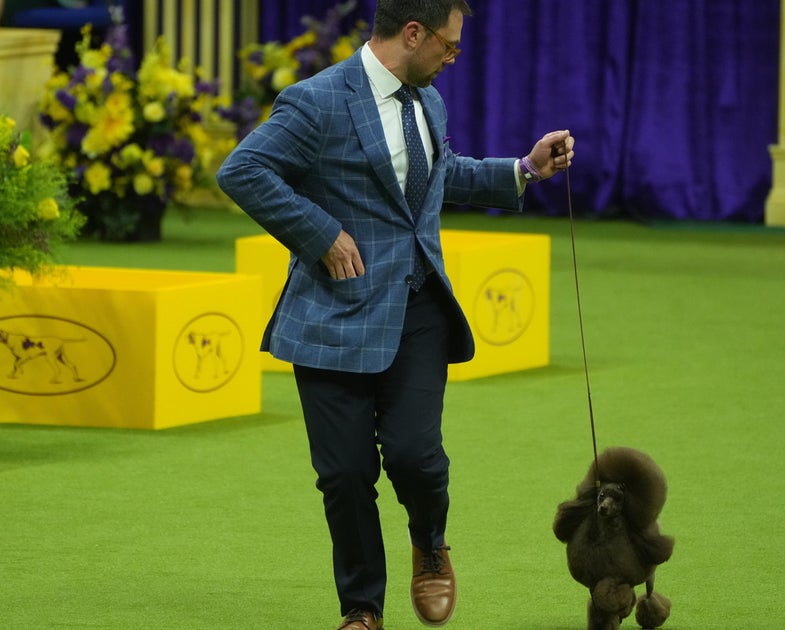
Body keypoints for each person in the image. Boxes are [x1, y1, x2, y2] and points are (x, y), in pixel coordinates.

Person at [216, 1, 574, 628]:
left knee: (416, 456)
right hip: (333, 316)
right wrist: (320, 233)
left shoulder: (426, 100)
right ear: (413, 34)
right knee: (346, 476)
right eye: (449, 45)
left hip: (417, 309)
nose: (453, 58)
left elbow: (437, 176)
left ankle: (430, 546)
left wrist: (522, 171)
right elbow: (243, 169)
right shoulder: (317, 101)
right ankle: (361, 609)